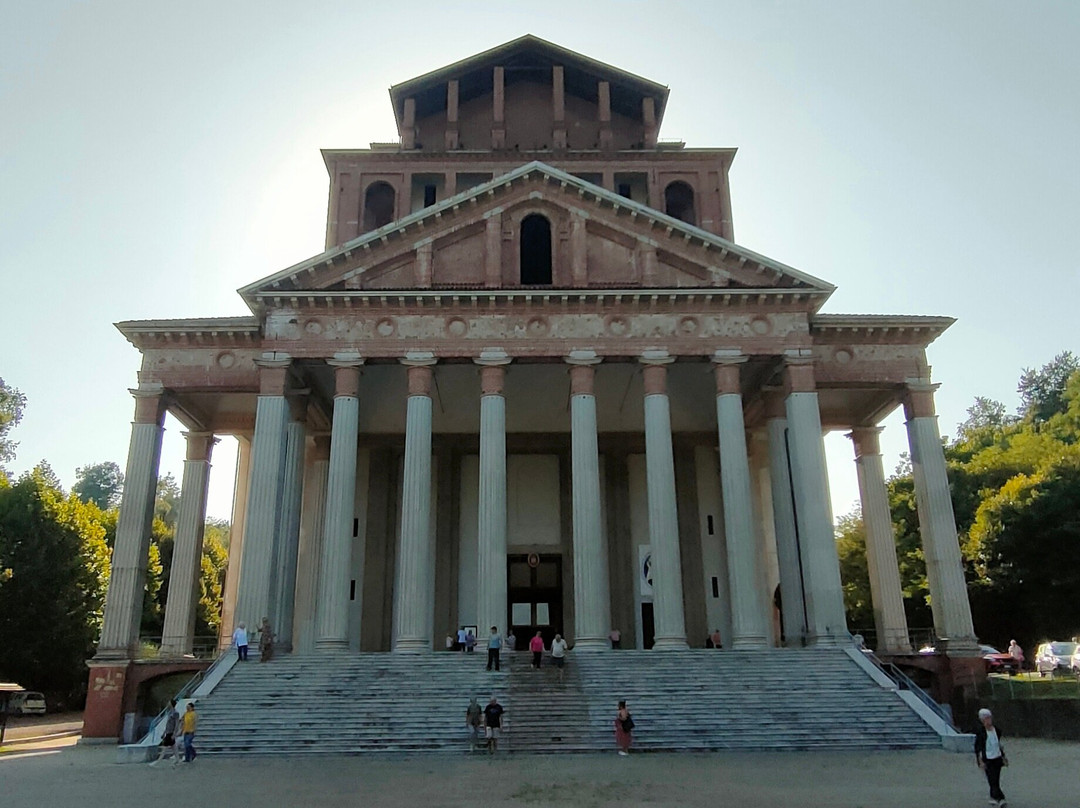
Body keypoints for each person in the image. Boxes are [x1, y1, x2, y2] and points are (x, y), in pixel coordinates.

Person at [974, 708, 1007, 807]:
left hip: (997, 757)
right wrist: (980, 761)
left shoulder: (996, 730)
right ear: (982, 720)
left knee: (995, 779)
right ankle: (1000, 798)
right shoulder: (981, 732)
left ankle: (994, 797)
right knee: (991, 779)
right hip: (987, 758)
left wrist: (1004, 756)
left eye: (989, 718)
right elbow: (978, 748)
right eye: (986, 718)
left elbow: (998, 744)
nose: (989, 720)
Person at [150, 700, 181, 766]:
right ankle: (178, 759)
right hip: (168, 731)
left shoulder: (175, 713)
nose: (168, 704)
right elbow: (168, 724)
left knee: (164, 747)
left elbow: (176, 724)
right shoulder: (170, 712)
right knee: (174, 747)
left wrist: (174, 733)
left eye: (169, 702)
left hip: (171, 732)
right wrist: (164, 732)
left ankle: (158, 761)